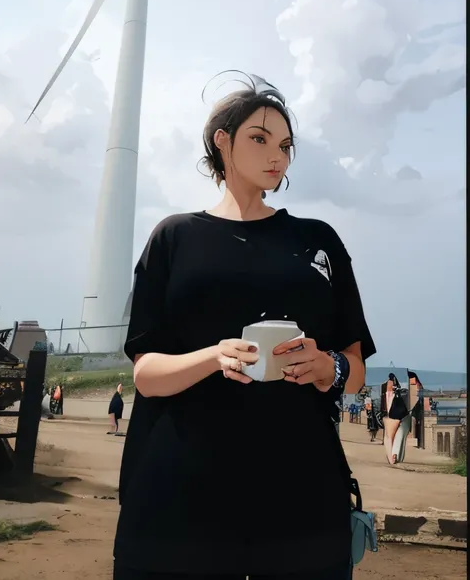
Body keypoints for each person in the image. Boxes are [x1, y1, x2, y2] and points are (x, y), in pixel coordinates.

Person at [114, 75, 376, 580]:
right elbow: (146, 373)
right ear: (222, 141)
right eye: (259, 138)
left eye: (285, 145)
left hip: (301, 492)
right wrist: (214, 356)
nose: (277, 155)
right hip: (180, 494)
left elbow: (357, 365)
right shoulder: (174, 238)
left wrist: (328, 368)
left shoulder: (318, 242)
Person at [382, 373, 410, 465]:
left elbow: (388, 391)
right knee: (399, 434)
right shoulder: (408, 375)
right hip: (404, 408)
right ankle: (395, 455)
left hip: (394, 407)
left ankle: (391, 458)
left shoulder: (391, 377)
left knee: (389, 436)